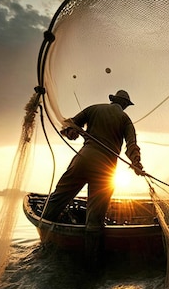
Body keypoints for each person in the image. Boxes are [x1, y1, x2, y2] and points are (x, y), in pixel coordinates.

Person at [42, 89, 144, 233]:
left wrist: (71, 132)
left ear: (113, 100)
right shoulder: (125, 119)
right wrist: (136, 163)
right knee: (95, 222)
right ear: (125, 104)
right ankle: (92, 254)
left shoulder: (93, 108)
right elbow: (131, 145)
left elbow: (70, 125)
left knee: (57, 198)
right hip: (105, 169)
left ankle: (45, 234)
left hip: (82, 160)